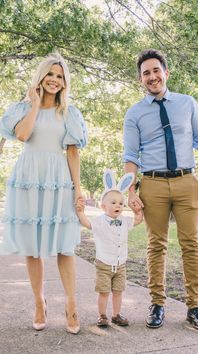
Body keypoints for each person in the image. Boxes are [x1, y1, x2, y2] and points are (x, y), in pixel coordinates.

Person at [123, 49, 198, 331]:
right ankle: (157, 304)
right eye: (146, 73)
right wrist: (131, 191)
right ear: (140, 79)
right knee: (156, 245)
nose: (152, 77)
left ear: (166, 72)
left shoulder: (187, 103)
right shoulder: (135, 113)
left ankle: (195, 307)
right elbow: (130, 156)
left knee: (192, 245)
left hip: (186, 181)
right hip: (152, 183)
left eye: (156, 70)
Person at [0, 53, 88, 334]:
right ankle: (39, 302)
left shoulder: (70, 113)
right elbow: (23, 136)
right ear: (41, 76)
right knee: (31, 247)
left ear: (65, 83)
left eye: (60, 76)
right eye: (50, 74)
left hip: (58, 180)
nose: (54, 80)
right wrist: (36, 104)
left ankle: (71, 305)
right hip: (28, 179)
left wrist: (77, 189)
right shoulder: (22, 108)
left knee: (65, 245)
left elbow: (72, 153)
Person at [76, 169, 143, 327]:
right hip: (104, 264)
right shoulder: (100, 221)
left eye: (120, 203)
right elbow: (87, 223)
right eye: (113, 203)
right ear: (103, 206)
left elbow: (138, 221)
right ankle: (102, 315)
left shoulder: (125, 220)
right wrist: (80, 212)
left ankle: (116, 314)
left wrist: (137, 211)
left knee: (118, 292)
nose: (117, 205)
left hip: (121, 265)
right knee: (104, 292)